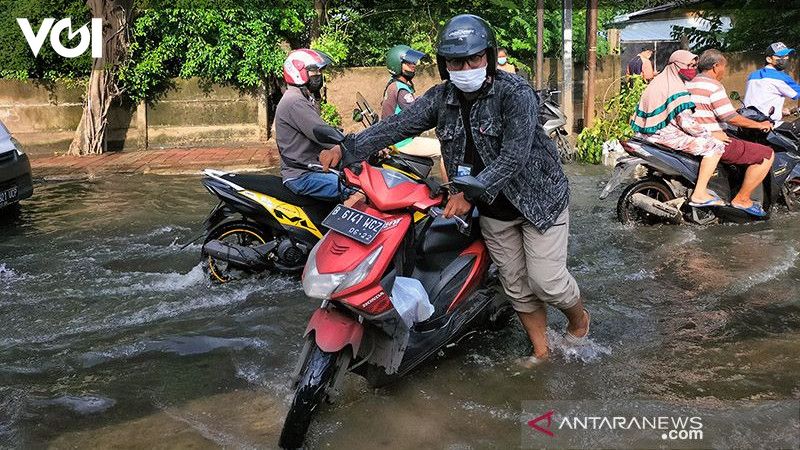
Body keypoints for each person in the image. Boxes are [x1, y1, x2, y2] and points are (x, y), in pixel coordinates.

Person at [320, 14, 589, 367]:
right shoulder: (439, 98)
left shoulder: (515, 93)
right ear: (445, 65)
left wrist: (468, 195)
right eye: (455, 61)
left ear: (488, 58)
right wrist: (346, 149)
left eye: (473, 58)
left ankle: (579, 322)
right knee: (517, 286)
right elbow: (395, 126)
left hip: (539, 202)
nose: (465, 67)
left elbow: (513, 158)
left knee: (548, 282)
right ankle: (542, 352)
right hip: (494, 211)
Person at [632, 50, 729, 208]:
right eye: (688, 65)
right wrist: (711, 134)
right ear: (675, 65)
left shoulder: (659, 82)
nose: (691, 69)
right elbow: (687, 123)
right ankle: (699, 194)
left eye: (693, 65)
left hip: (646, 135)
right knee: (715, 147)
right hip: (664, 136)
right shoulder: (676, 89)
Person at [686, 49, 774, 216]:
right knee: (766, 154)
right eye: (724, 67)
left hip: (693, 135)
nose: (724, 71)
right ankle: (742, 199)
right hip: (712, 138)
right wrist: (758, 124)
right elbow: (730, 117)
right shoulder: (714, 85)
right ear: (716, 66)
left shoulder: (690, 83)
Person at [275, 49, 357, 204]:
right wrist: (353, 143)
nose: (318, 75)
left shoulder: (302, 98)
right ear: (298, 72)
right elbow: (322, 133)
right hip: (301, 176)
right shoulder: (294, 102)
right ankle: (340, 228)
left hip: (310, 170)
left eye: (319, 71)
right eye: (313, 70)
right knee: (357, 192)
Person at [381, 44, 448, 181]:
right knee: (445, 149)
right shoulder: (401, 89)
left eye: (413, 62)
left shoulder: (395, 84)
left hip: (397, 139)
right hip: (403, 142)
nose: (413, 65)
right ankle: (451, 191)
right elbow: (418, 115)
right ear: (397, 64)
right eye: (408, 62)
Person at [744, 42, 800, 122]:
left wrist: (779, 112)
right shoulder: (781, 77)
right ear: (769, 59)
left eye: (786, 56)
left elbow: (761, 100)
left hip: (747, 121)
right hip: (766, 125)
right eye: (781, 56)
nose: (785, 58)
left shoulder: (752, 75)